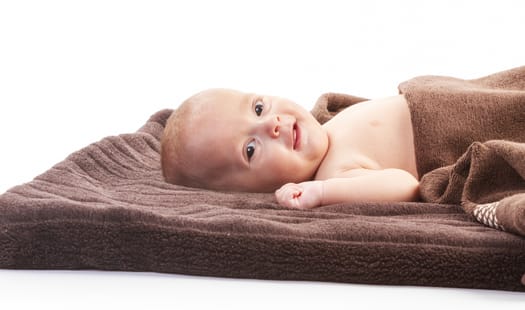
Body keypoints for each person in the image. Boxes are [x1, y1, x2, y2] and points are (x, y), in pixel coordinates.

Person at [160, 89, 420, 209]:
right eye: (250, 149)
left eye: (258, 109)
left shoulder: (328, 124)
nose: (271, 125)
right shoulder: (334, 175)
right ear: (251, 192)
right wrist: (322, 193)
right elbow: (404, 185)